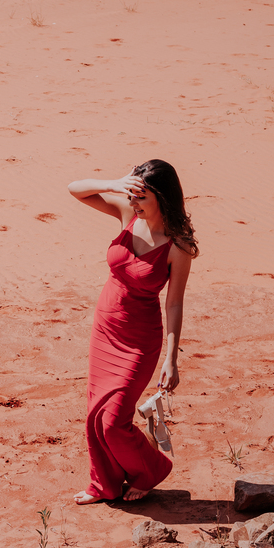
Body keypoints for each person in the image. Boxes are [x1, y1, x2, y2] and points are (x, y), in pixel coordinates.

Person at [67, 160, 198, 504]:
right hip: (106, 327)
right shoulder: (127, 213)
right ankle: (104, 485)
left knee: (113, 421)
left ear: (162, 198)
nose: (134, 202)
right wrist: (114, 183)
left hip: (139, 339)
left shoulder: (178, 246)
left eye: (142, 196)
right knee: (96, 413)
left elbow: (174, 304)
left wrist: (171, 358)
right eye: (132, 194)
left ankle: (151, 470)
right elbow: (75, 189)